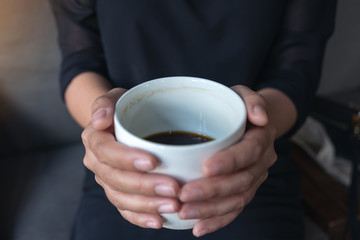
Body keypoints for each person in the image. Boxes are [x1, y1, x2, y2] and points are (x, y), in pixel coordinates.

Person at [49, 0, 337, 239]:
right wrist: (104, 129)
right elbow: (81, 60)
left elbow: (296, 73)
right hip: (122, 170)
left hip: (252, 167)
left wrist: (258, 128)